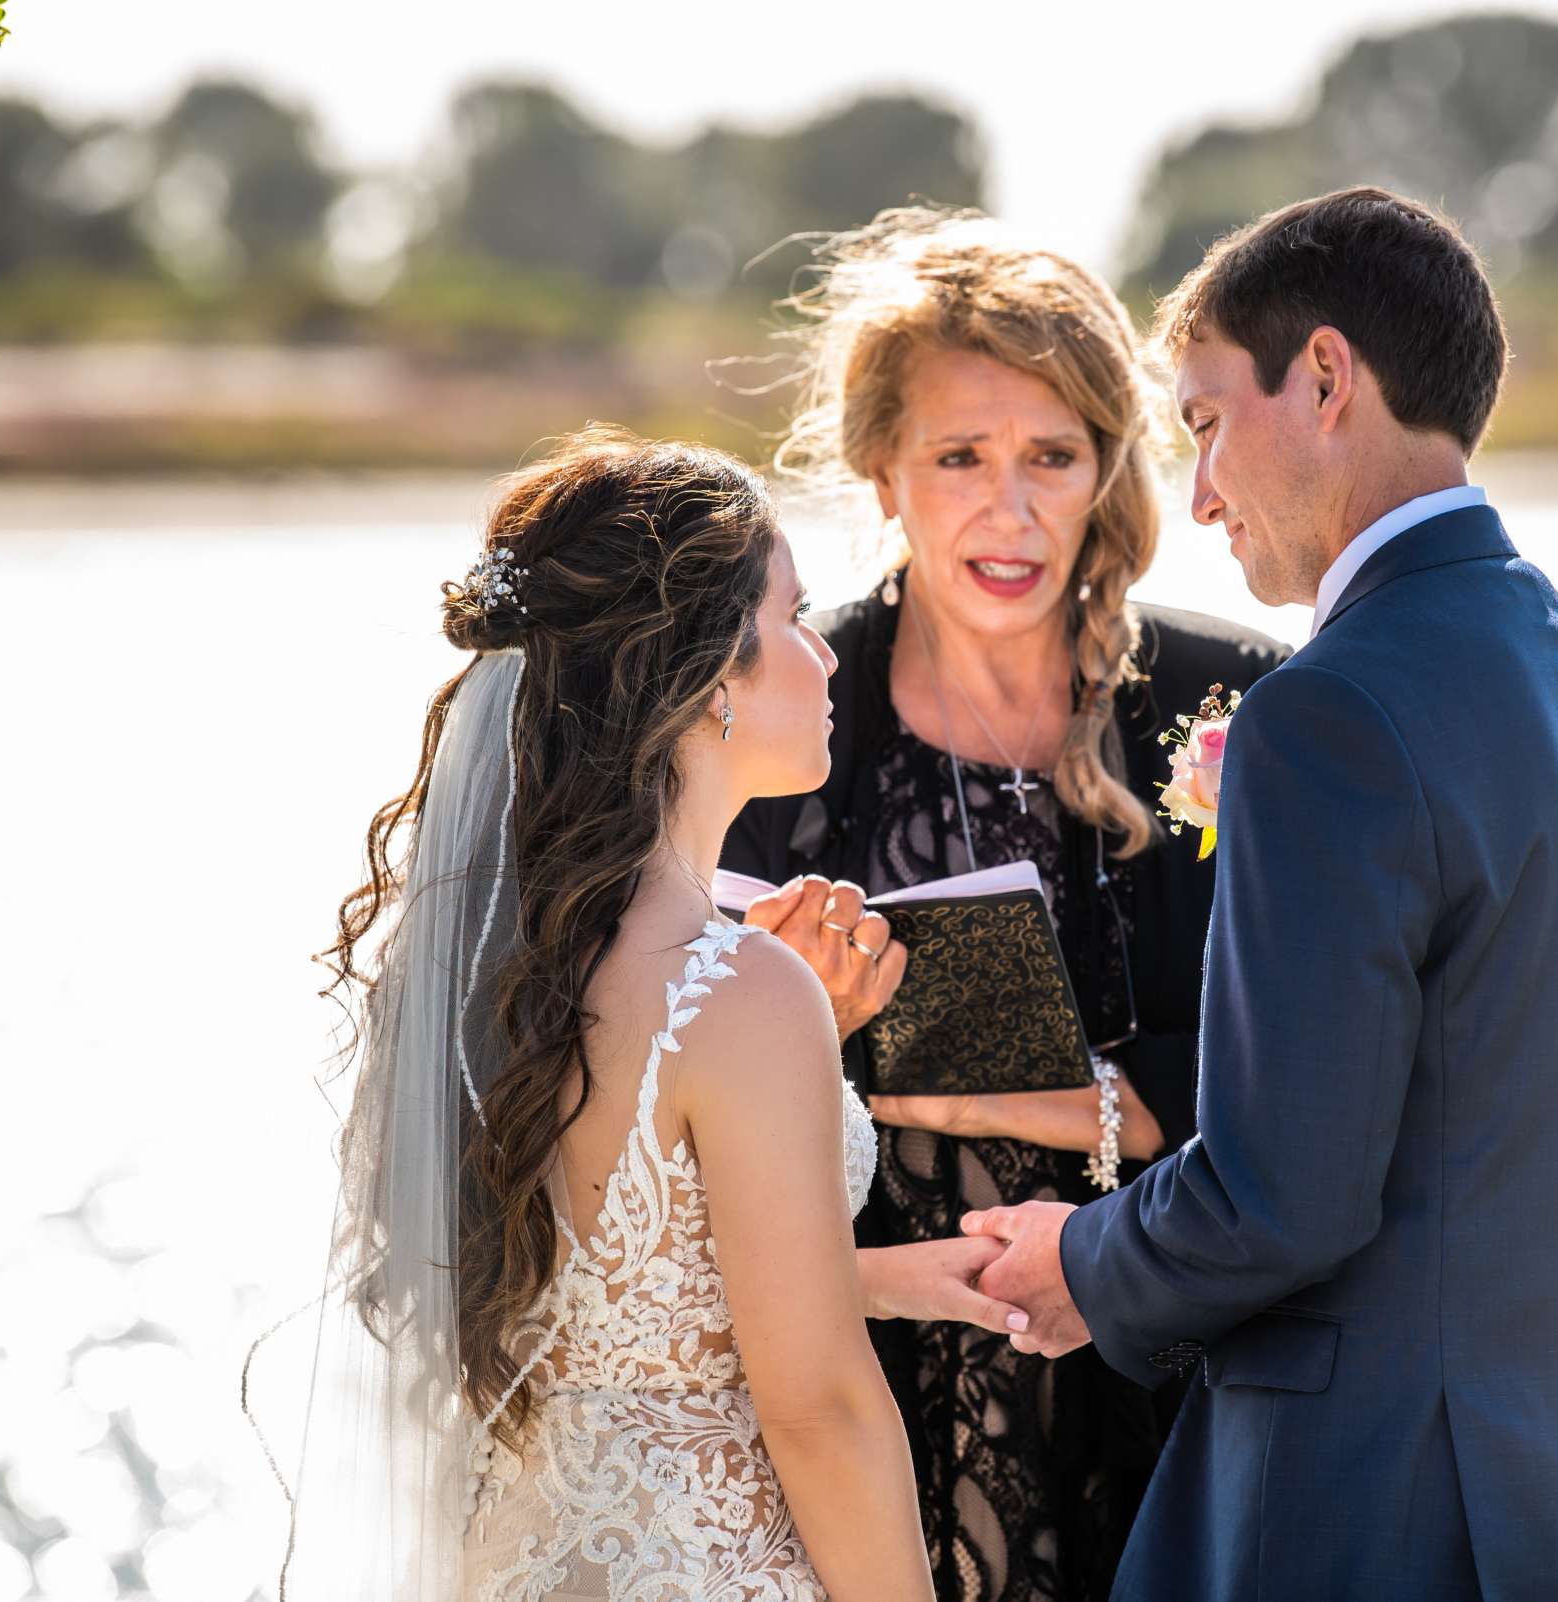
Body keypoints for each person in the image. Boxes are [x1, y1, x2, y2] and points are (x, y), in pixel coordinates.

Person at [964, 187, 1558, 1599]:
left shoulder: (1326, 712)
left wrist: (1087, 1252)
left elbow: (1283, 1195)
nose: (1196, 494)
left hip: (1366, 1515)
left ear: (1323, 377)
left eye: (1201, 422)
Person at [257, 430, 1029, 1602]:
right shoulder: (741, 993)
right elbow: (818, 1407)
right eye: (795, 620)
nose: (827, 657)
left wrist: (874, 1275)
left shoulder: (480, 966)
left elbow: (598, 1298)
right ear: (713, 675)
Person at [720, 210, 1287, 1602]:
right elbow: (682, 1109)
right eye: (959, 458)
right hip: (858, 1396)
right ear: (881, 472)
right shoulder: (782, 728)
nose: (1012, 509)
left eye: (1053, 455)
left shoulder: (1241, 707)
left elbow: (1338, 1076)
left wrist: (1077, 1100)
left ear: (1108, 466)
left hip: (1178, 1392)